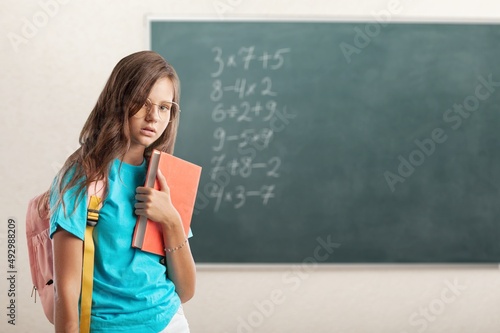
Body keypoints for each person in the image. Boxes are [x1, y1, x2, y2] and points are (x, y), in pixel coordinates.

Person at [47, 51, 195, 333]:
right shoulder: (83, 176)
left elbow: (186, 290)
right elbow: (64, 295)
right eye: (143, 103)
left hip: (169, 323)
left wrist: (171, 219)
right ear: (119, 102)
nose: (153, 117)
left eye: (164, 107)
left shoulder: (166, 176)